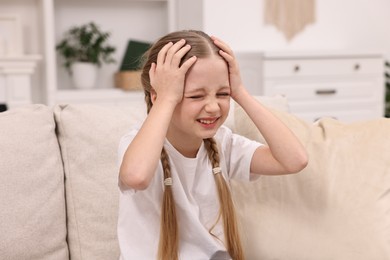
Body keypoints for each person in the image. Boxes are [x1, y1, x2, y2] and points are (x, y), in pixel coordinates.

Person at [117, 30, 308, 260]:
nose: (213, 107)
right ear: (158, 96)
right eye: (196, 96)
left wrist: (240, 92)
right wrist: (167, 98)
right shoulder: (137, 145)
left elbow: (295, 160)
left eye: (222, 94)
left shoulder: (223, 144)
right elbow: (136, 176)